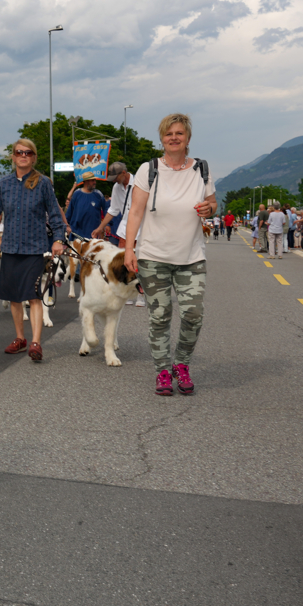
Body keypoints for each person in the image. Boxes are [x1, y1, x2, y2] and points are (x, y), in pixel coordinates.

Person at [123, 113, 217, 396]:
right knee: (160, 316)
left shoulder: (201, 168)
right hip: (153, 256)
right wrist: (129, 248)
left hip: (191, 256)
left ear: (188, 138)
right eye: (168, 133)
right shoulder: (148, 169)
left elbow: (213, 202)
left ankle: (182, 364)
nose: (174, 137)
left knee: (193, 314)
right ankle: (163, 371)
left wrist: (211, 209)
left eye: (179, 133)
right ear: (162, 138)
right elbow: (136, 211)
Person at [0, 138, 67, 361]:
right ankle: (20, 338)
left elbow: (55, 215)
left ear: (33, 157)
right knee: (15, 297)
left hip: (35, 248)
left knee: (34, 296)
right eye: (19, 152)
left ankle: (36, 342)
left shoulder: (43, 183)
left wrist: (58, 240)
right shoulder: (4, 184)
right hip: (9, 249)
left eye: (28, 153)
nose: (23, 155)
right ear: (13, 157)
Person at [92, 162, 131, 244]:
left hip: (140, 230)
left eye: (116, 177)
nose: (114, 180)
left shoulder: (138, 182)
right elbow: (113, 210)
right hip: (124, 230)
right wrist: (100, 228)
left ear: (123, 173)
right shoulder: (116, 187)